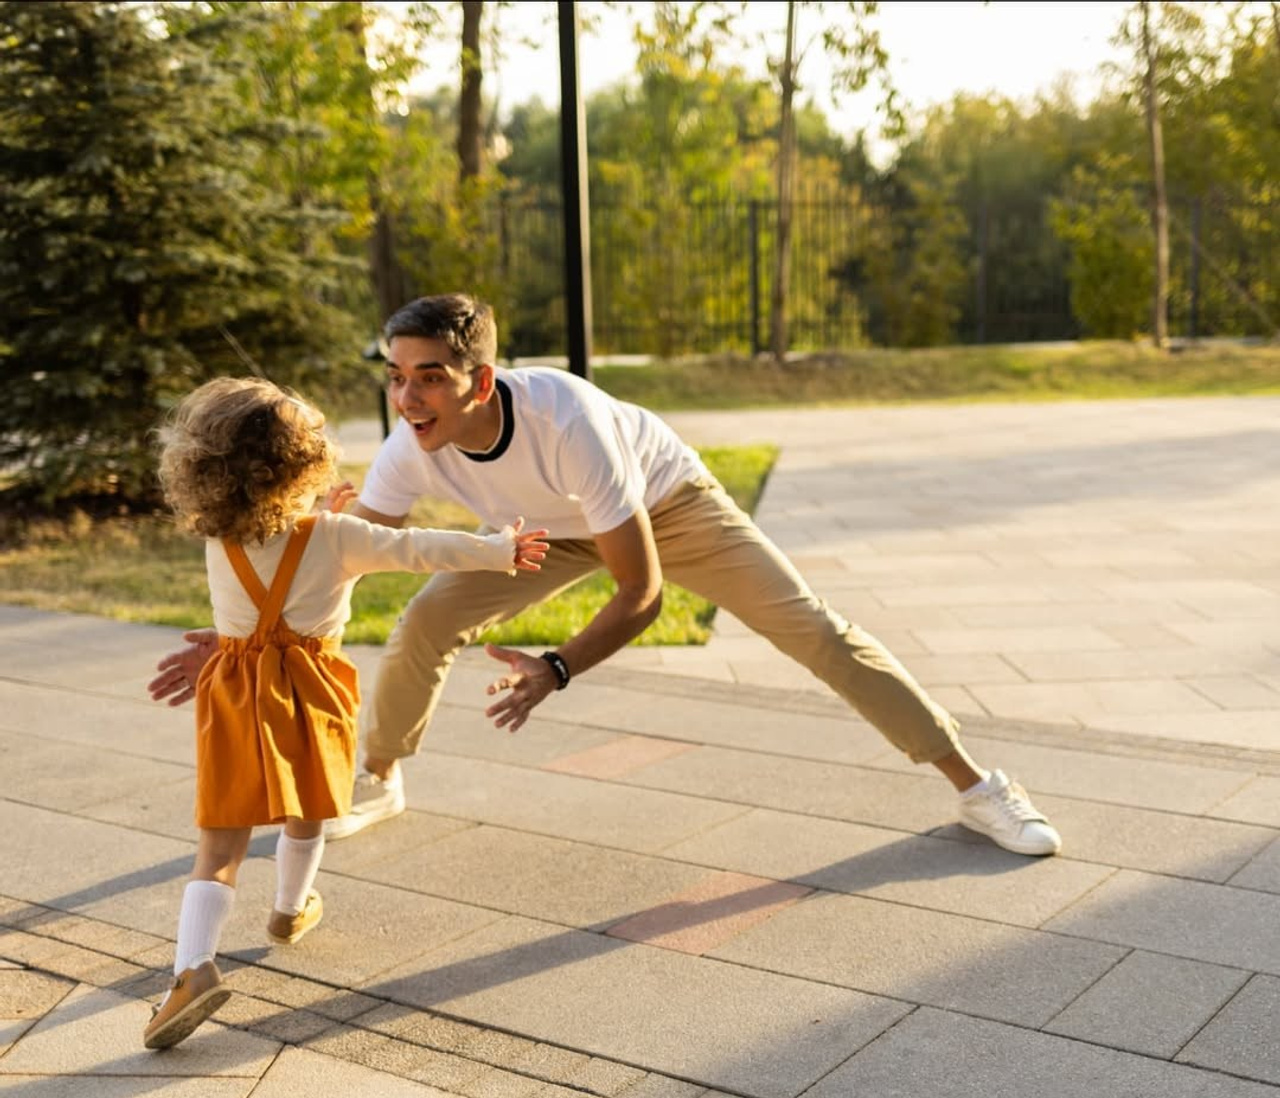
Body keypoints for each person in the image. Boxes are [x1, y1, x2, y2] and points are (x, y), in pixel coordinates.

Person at [155, 294, 1062, 861]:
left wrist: (554, 669)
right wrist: (250, 636)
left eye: (430, 377)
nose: (408, 398)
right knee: (425, 621)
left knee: (817, 634)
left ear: (482, 379)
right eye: (397, 377)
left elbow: (642, 593)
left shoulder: (567, 421)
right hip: (536, 534)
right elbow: (342, 561)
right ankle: (383, 775)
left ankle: (979, 789)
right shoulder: (407, 451)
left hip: (661, 510)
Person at [142, 376, 547, 1050]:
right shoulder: (338, 537)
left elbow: (276, 565)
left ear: (207, 471)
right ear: (303, 464)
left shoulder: (221, 539)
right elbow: (419, 549)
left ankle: (191, 969)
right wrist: (496, 550)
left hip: (237, 689)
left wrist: (320, 513)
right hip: (315, 691)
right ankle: (289, 911)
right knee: (310, 807)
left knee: (220, 843)